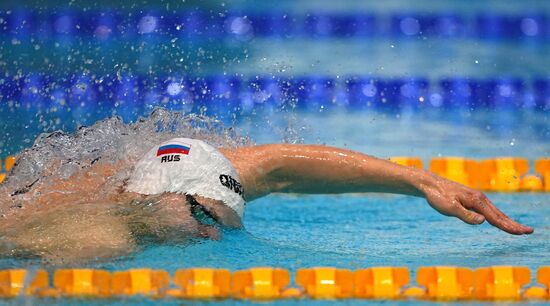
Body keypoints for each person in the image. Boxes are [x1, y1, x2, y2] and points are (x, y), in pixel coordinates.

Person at [0, 137, 533, 263]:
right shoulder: (93, 240)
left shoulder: (185, 175)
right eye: (205, 218)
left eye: (225, 224)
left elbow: (277, 167)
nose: (213, 234)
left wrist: (423, 183)